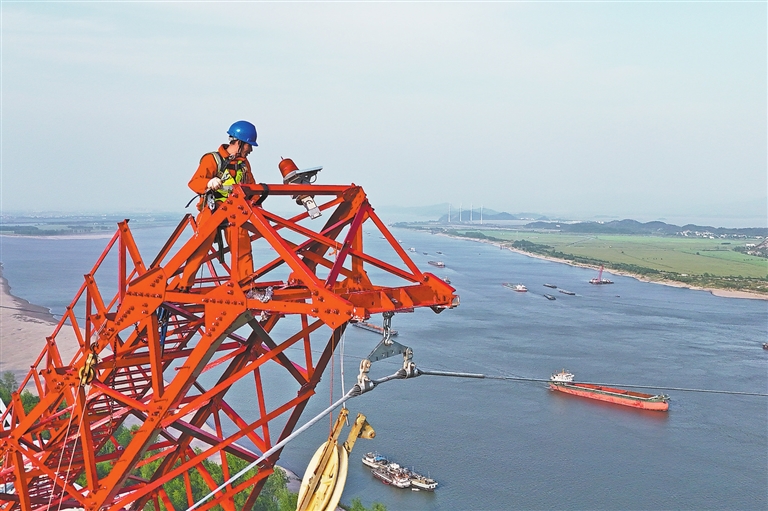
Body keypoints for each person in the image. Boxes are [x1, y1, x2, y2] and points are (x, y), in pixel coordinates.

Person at [179, 121, 257, 290]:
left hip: (235, 211)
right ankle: (185, 285)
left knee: (243, 247)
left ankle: (247, 288)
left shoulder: (243, 165)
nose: (250, 150)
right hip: (213, 209)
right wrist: (208, 183)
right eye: (249, 145)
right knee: (201, 245)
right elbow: (194, 182)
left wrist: (259, 210)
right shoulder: (212, 159)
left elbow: (251, 188)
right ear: (239, 142)